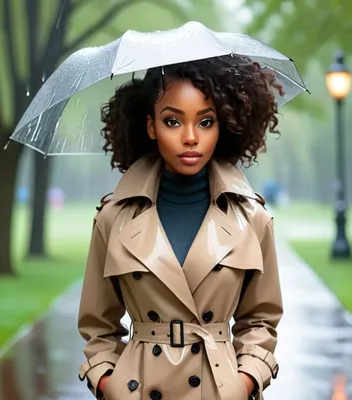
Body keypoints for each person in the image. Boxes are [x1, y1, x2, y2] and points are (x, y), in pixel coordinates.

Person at [78, 55, 283, 400]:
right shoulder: (113, 217)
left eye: (206, 122)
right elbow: (97, 327)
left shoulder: (251, 218)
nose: (190, 138)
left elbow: (260, 321)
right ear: (150, 126)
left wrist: (244, 382)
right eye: (173, 121)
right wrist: (108, 383)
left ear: (223, 126)